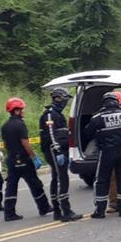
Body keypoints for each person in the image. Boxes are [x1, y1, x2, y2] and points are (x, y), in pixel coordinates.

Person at [83, 92, 121, 218]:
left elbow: (87, 132)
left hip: (106, 153)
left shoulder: (98, 117)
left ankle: (100, 211)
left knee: (102, 180)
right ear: (117, 102)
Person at [1, 98, 52, 221]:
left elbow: (7, 143)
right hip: (23, 159)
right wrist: (34, 157)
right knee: (35, 183)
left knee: (11, 187)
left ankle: (9, 213)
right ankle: (44, 207)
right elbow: (25, 143)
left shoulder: (5, 126)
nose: (23, 111)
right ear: (17, 111)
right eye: (22, 109)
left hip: (12, 160)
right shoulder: (20, 125)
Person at [38, 87, 82, 222]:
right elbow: (51, 134)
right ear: (57, 98)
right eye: (64, 99)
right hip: (54, 150)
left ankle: (58, 210)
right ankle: (65, 210)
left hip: (60, 150)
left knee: (57, 178)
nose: (65, 103)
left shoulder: (58, 114)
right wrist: (57, 151)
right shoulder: (50, 114)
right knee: (61, 179)